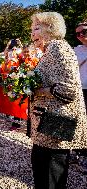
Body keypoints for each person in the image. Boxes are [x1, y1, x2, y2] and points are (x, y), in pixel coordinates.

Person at [30, 12, 87, 189]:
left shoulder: (57, 47)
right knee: (43, 171)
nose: (32, 34)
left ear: (51, 29)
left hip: (56, 122)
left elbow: (68, 90)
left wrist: (37, 90)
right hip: (49, 124)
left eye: (36, 28)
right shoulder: (50, 50)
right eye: (31, 30)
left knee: (50, 176)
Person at [73, 21, 87, 173]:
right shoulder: (76, 50)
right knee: (79, 123)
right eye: (78, 33)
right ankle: (78, 152)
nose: (81, 35)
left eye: (84, 31)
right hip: (80, 90)